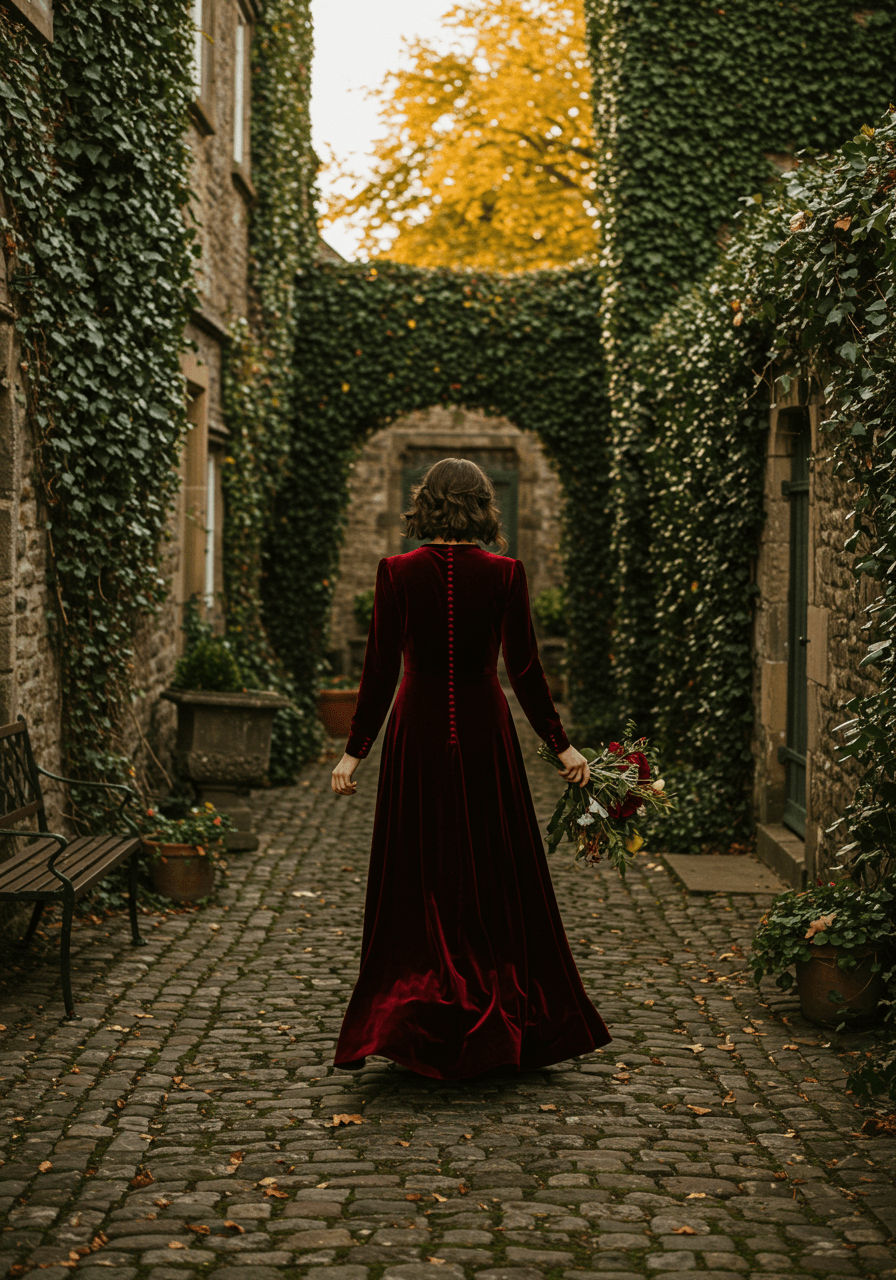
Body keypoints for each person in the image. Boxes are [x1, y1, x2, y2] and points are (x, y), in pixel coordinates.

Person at [331, 457, 610, 1078]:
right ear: (485, 505)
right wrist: (561, 746)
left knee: (422, 866)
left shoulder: (397, 572)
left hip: (418, 731)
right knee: (491, 863)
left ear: (425, 504)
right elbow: (526, 671)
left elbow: (379, 668)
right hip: (484, 730)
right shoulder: (506, 573)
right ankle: (497, 998)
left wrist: (356, 749)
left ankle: (414, 1008)